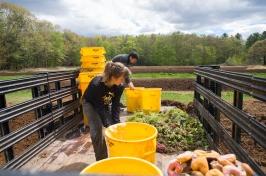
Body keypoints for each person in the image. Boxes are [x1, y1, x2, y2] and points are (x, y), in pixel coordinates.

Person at [82, 61, 130, 161]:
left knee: (113, 125)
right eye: (121, 79)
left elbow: (116, 105)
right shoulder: (97, 84)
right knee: (97, 129)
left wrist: (116, 124)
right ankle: (102, 160)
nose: (122, 81)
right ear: (113, 77)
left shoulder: (119, 86)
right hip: (90, 103)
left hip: (103, 103)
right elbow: (99, 108)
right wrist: (108, 124)